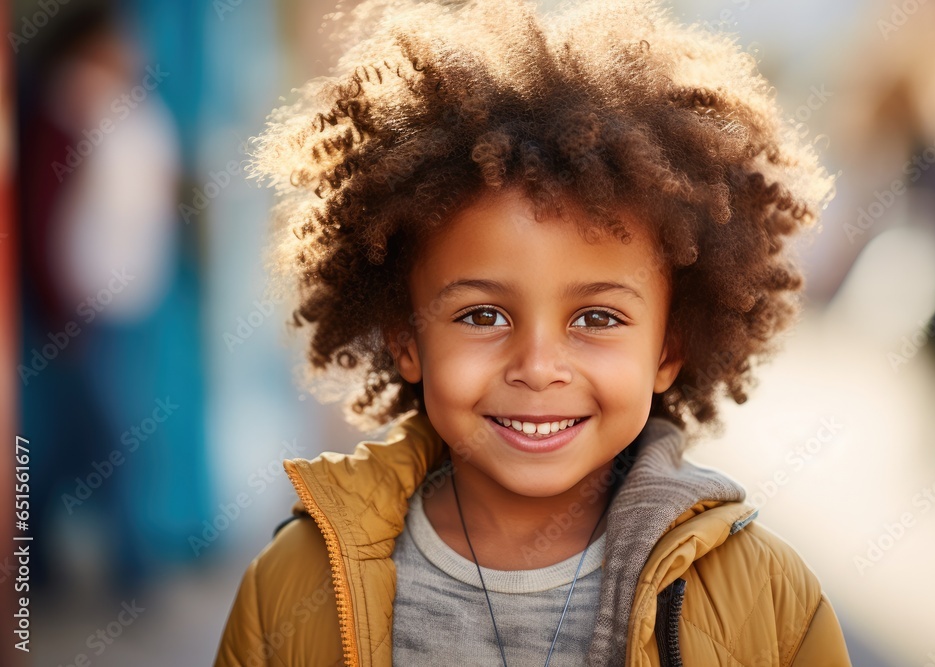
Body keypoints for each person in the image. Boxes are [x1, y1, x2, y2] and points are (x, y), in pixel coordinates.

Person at [214, 0, 851, 664]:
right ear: (406, 337)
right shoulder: (291, 587)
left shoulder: (769, 604)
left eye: (596, 319)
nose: (539, 365)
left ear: (670, 347)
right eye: (482, 315)